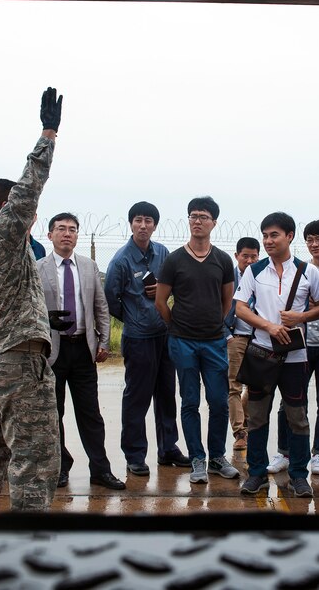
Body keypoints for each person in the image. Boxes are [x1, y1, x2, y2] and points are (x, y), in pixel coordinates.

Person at [0, 87, 63, 513]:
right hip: (17, 361)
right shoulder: (3, 233)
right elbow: (29, 186)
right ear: (7, 210)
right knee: (35, 456)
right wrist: (49, 134)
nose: (32, 217)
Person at [233, 212, 319, 498]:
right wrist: (270, 327)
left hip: (296, 358)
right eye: (265, 235)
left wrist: (300, 317)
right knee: (258, 416)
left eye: (274, 235)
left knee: (297, 417)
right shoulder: (254, 270)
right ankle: (257, 473)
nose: (268, 240)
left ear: (289, 236)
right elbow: (240, 308)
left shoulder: (309, 271)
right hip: (261, 354)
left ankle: (299, 475)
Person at [155, 196, 240, 484]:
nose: (197, 221)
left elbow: (227, 301)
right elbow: (160, 301)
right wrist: (177, 326)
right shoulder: (175, 259)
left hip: (215, 341)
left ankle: (217, 456)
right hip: (182, 342)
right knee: (189, 401)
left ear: (214, 222)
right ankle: (197, 459)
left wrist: (213, 324)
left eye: (203, 216)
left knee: (218, 401)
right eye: (193, 216)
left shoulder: (223, 260)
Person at [38, 212, 125, 491]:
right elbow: (32, 309)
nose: (67, 234)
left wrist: (103, 342)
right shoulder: (38, 268)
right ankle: (60, 466)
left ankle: (100, 469)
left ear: (77, 235)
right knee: (54, 414)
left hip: (82, 350)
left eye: (72, 229)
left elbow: (101, 306)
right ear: (50, 235)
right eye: (61, 229)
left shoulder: (88, 266)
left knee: (91, 414)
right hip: (52, 351)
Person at [105, 202, 189, 475]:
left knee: (167, 395)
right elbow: (111, 299)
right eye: (138, 220)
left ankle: (168, 449)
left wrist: (161, 292)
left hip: (164, 334)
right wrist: (134, 316)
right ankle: (135, 454)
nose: (143, 225)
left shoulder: (162, 252)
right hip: (139, 338)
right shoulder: (120, 260)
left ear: (155, 225)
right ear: (131, 223)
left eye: (149, 221)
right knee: (137, 398)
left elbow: (173, 285)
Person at [268, 220, 319, 477]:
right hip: (299, 345)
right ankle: (284, 451)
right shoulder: (300, 270)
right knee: (288, 402)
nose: (315, 244)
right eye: (310, 239)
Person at [225, 237, 261, 451]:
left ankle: (246, 423)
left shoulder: (263, 277)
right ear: (236, 255)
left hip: (258, 338)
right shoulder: (227, 278)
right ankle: (239, 432)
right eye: (245, 256)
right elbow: (218, 305)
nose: (249, 260)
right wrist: (225, 335)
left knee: (256, 385)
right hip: (235, 336)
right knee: (234, 386)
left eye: (253, 256)